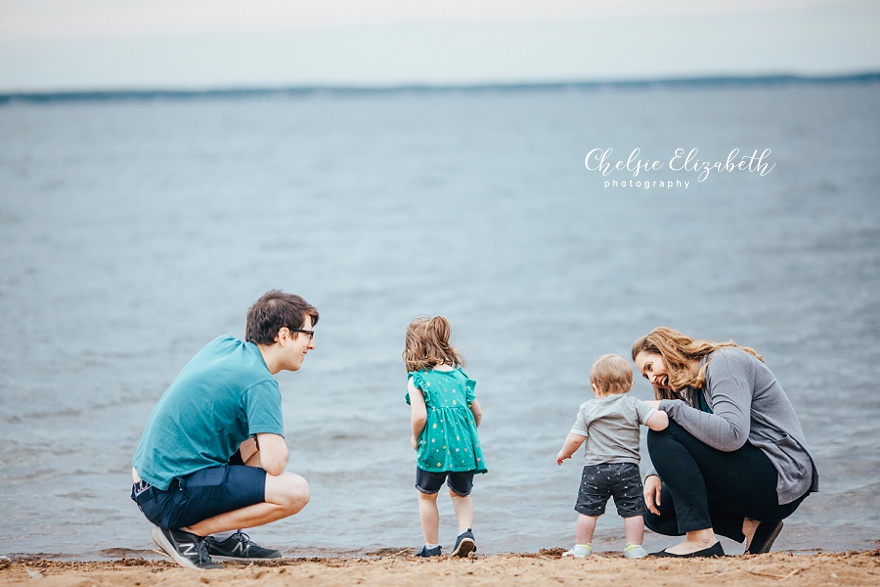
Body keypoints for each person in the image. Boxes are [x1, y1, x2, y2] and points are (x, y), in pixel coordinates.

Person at [130, 290, 318, 569]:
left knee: (247, 442)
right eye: (307, 334)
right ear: (283, 335)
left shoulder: (223, 347)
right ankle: (188, 534)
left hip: (147, 484)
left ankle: (223, 538)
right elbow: (275, 463)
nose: (311, 345)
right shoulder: (259, 383)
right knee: (296, 491)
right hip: (167, 495)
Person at [632, 327, 819, 558]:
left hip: (780, 477)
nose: (652, 379)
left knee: (662, 429)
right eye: (645, 375)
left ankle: (701, 540)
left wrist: (666, 407)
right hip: (757, 481)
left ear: (667, 349)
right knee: (656, 509)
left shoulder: (724, 363)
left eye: (650, 367)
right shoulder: (693, 387)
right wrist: (655, 474)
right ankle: (749, 524)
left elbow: (732, 435)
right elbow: (695, 440)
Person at [556, 354, 669, 559]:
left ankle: (582, 547)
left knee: (588, 511)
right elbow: (660, 423)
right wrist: (665, 409)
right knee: (632, 511)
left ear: (595, 387)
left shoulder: (588, 408)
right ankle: (634, 548)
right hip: (627, 469)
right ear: (631, 384)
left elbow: (575, 438)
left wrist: (564, 453)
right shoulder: (634, 405)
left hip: (595, 470)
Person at [404, 315, 487, 558]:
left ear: (413, 350)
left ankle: (431, 548)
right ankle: (465, 534)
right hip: (464, 446)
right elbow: (478, 412)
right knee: (461, 494)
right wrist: (468, 433)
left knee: (427, 497)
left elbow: (419, 416)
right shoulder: (460, 377)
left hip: (434, 447)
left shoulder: (417, 380)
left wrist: (414, 437)